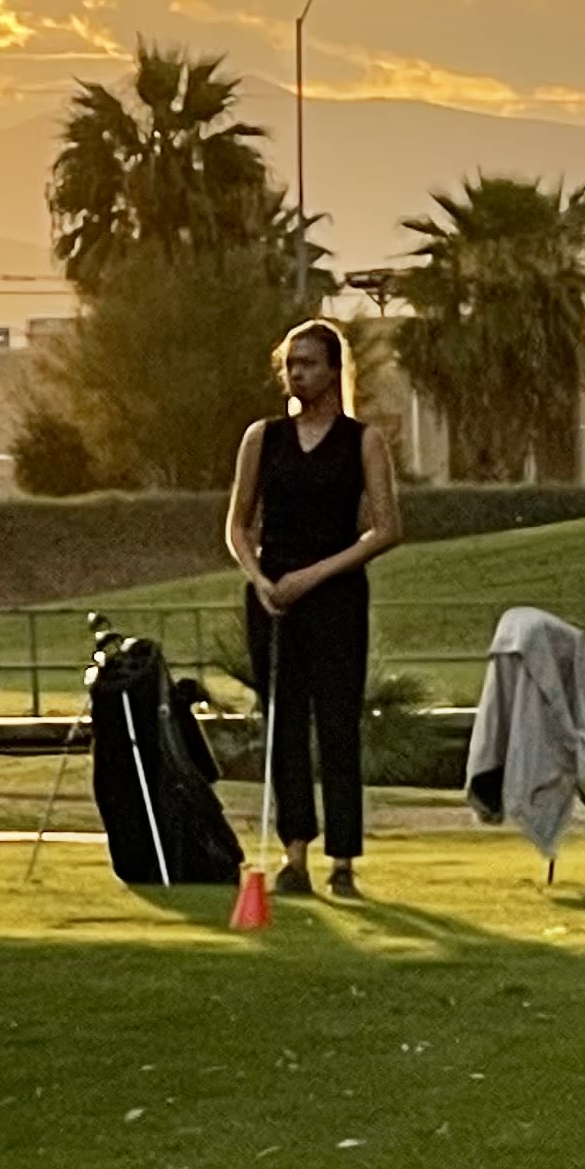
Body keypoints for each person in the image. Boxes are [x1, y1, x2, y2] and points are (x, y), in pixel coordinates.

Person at [222, 320, 402, 898]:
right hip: (274, 602)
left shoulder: (363, 440)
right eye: (290, 364)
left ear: (332, 370)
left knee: (337, 726)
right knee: (284, 727)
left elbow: (387, 528)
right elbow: (237, 524)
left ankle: (343, 861)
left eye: (308, 363)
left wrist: (314, 576)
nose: (297, 372)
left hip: (336, 598)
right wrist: (262, 580)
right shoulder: (263, 437)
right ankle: (294, 855)